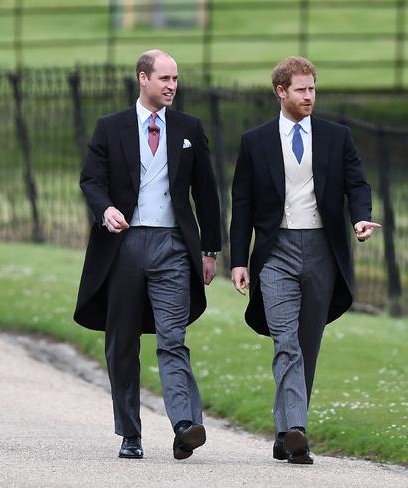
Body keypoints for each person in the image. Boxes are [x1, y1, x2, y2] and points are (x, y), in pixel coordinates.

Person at [230, 56, 380, 464]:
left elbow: (357, 182)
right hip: (275, 253)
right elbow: (241, 203)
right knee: (287, 342)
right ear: (281, 91)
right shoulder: (256, 141)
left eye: (313, 88)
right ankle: (298, 430)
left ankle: (285, 435)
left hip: (322, 252)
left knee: (307, 345)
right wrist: (238, 259)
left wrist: (360, 218)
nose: (309, 96)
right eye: (301, 89)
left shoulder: (336, 137)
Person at [73, 49, 221, 460]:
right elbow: (91, 179)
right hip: (123, 248)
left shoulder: (189, 128)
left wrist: (210, 249)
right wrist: (105, 209)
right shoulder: (110, 128)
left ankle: (185, 425)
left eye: (176, 80)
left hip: (174, 246)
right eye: (165, 79)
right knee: (122, 342)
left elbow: (206, 193)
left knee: (173, 339)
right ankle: (130, 434)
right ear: (143, 78)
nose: (172, 86)